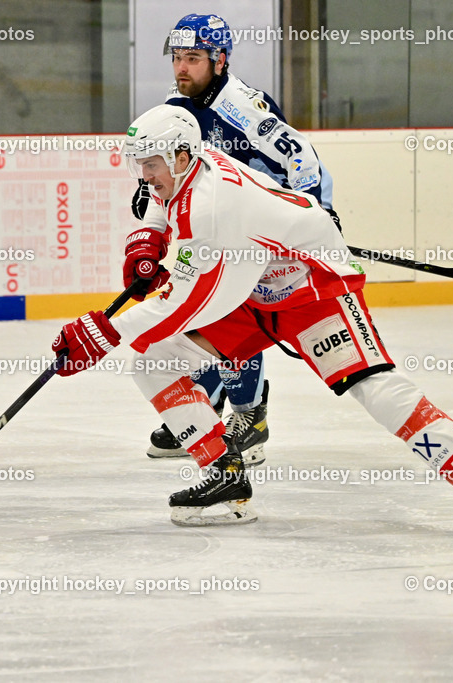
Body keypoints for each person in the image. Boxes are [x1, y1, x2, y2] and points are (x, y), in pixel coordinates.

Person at [51, 104, 453, 536]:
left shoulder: (211, 208)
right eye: (139, 165)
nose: (144, 177)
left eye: (151, 164)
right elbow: (159, 206)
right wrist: (147, 237)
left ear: (182, 156)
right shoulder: (188, 169)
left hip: (311, 290)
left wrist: (103, 332)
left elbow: (186, 303)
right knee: (153, 362)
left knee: (372, 385)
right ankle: (225, 474)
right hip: (252, 287)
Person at [132, 13, 340, 464]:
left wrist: (317, 215)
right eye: (177, 58)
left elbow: (302, 157)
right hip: (219, 227)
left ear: (219, 60)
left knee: (231, 315)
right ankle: (205, 407)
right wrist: (152, 217)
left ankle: (249, 417)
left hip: (262, 231)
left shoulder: (242, 105)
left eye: (192, 59)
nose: (181, 68)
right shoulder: (179, 103)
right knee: (197, 317)